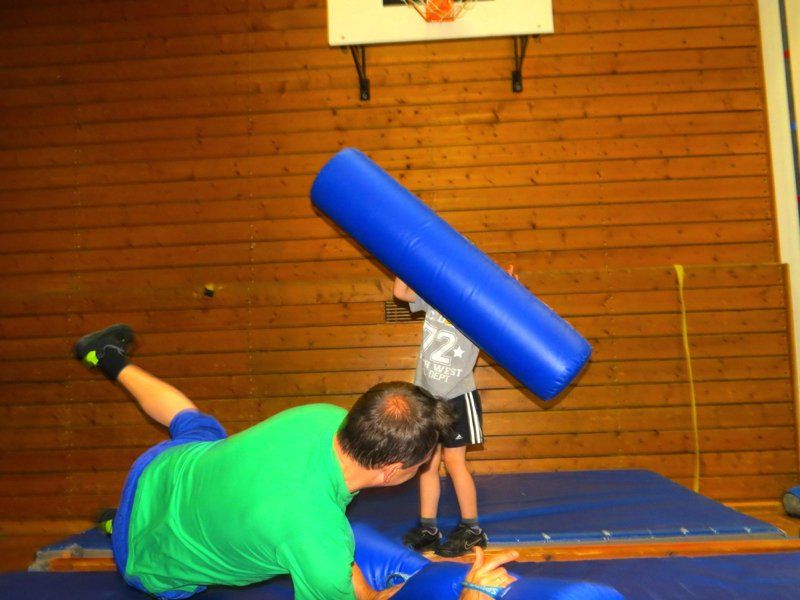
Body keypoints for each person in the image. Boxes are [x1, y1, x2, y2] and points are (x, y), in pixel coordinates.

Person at [74, 323, 454, 600]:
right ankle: (117, 525)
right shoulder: (317, 535)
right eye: (422, 464)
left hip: (156, 471)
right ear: (391, 470)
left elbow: (315, 532)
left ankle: (107, 356)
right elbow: (319, 544)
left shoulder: (322, 416)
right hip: (147, 563)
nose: (425, 467)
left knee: (197, 425)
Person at [393, 266, 517, 558]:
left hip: (458, 395)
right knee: (427, 463)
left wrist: (508, 289)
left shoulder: (475, 312)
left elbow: (504, 315)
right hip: (426, 396)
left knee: (454, 461)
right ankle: (428, 528)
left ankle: (472, 529)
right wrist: (402, 258)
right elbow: (400, 292)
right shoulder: (434, 298)